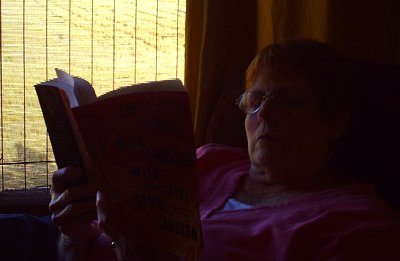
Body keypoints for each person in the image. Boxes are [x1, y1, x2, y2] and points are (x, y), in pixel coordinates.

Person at [49, 39, 400, 260]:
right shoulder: (208, 160)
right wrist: (73, 229)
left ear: (335, 122)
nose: (266, 115)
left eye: (289, 101)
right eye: (256, 101)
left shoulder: (359, 226)